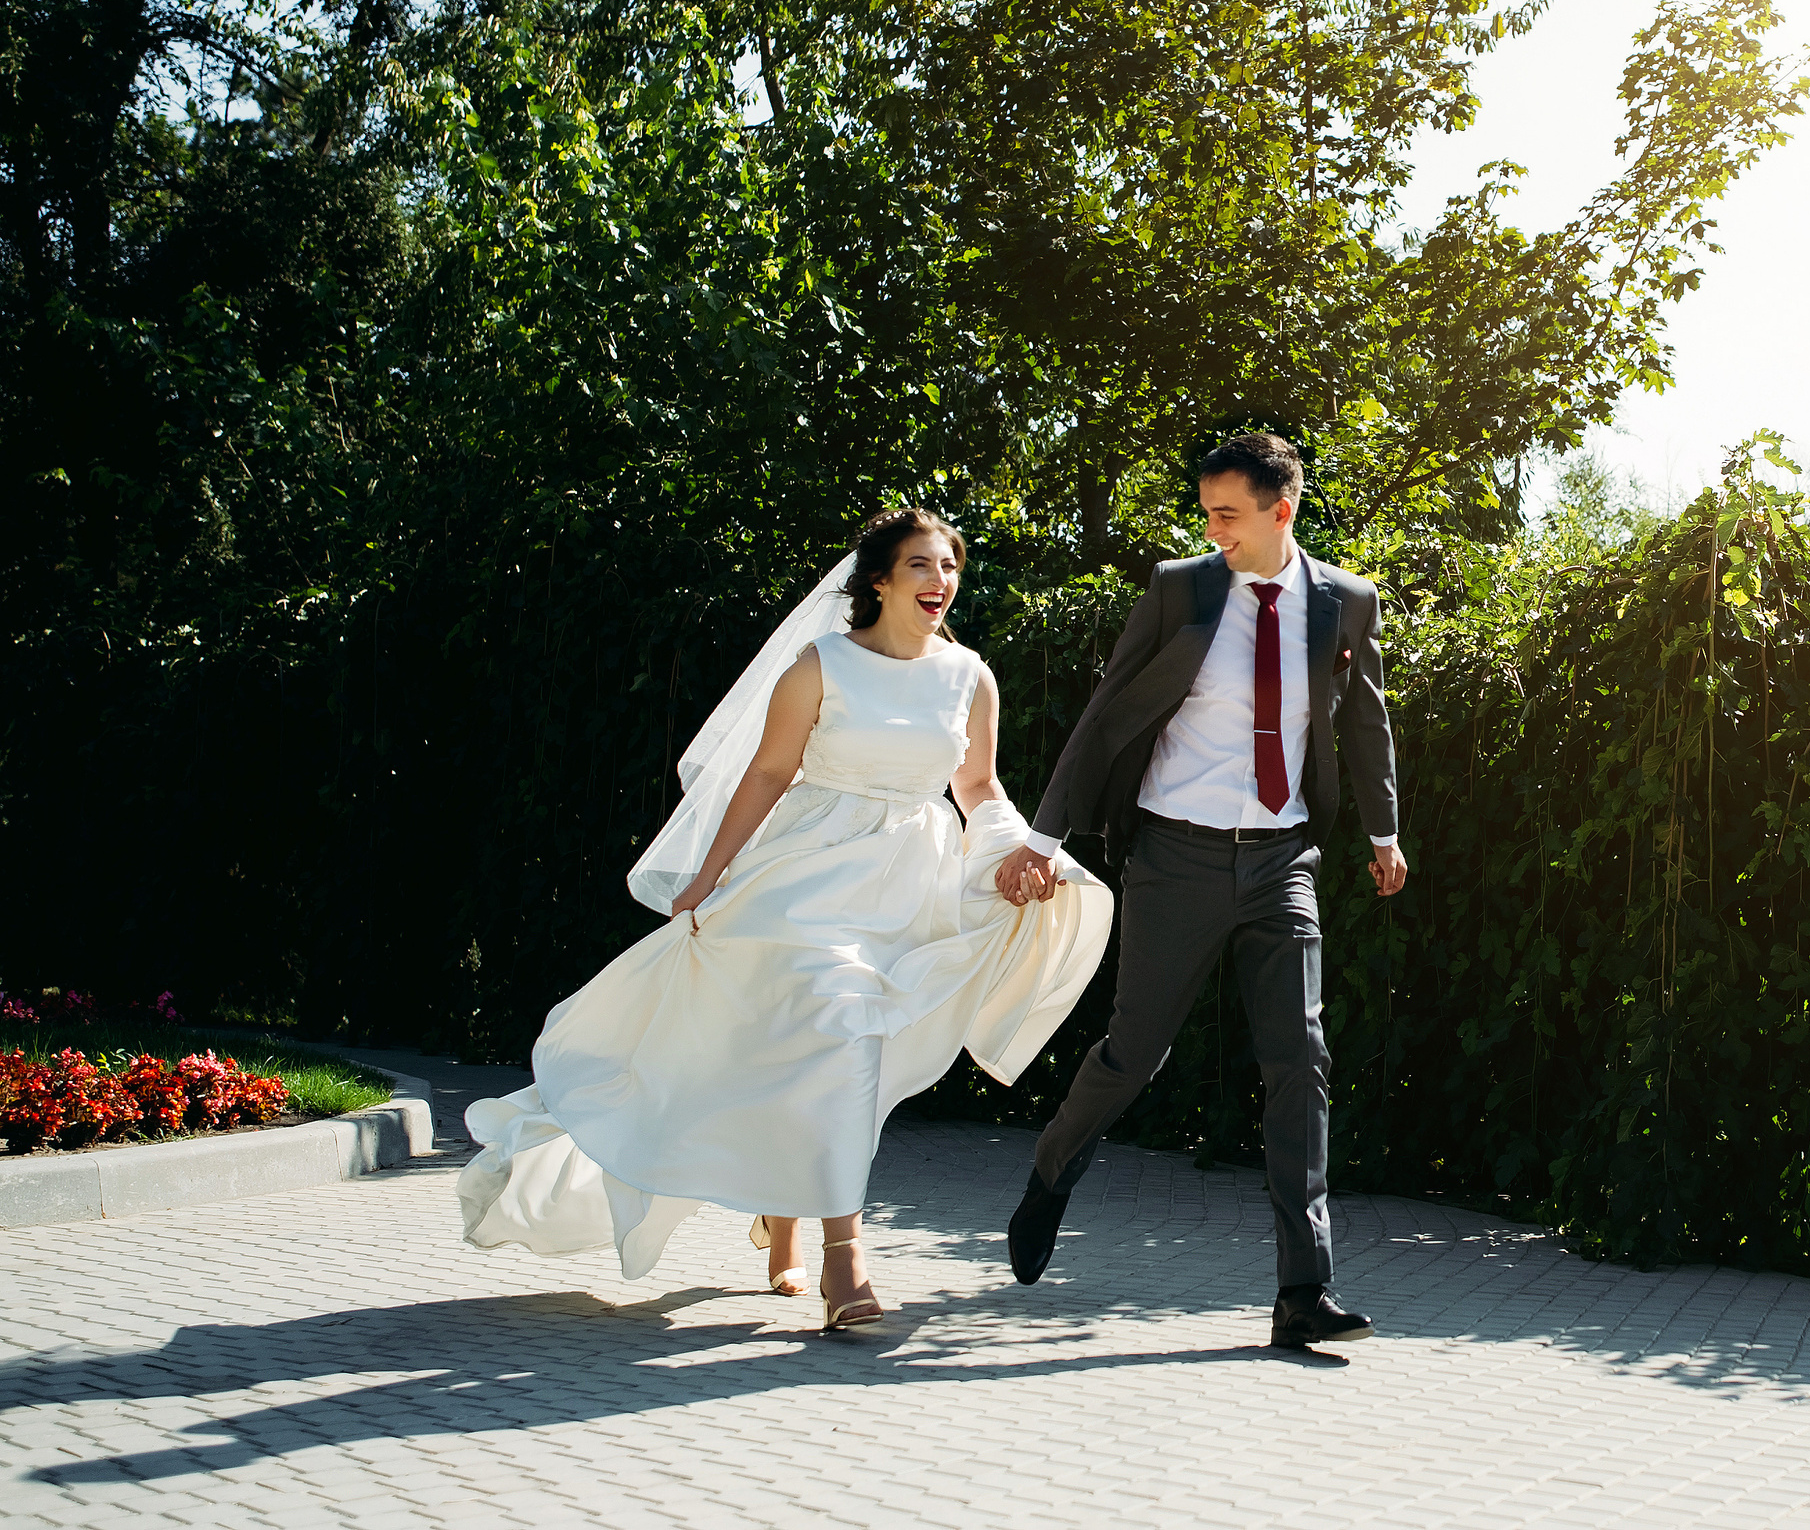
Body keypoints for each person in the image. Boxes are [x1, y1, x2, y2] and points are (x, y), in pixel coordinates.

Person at [457, 509, 1113, 1333]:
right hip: (808, 876)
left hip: (909, 885)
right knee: (837, 1027)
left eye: (948, 566)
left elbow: (977, 787)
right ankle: (846, 1256)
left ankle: (788, 1209)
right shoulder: (820, 666)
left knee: (840, 1050)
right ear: (879, 579)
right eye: (920, 565)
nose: (940, 581)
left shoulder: (970, 677)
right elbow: (768, 773)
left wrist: (1018, 847)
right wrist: (707, 877)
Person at [992, 433, 1406, 1349]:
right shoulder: (1182, 587)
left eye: (1228, 513)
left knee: (1301, 1060)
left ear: (1280, 511)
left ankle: (1305, 1289)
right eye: (1207, 512)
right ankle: (1054, 1164)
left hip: (1282, 859)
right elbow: (1106, 712)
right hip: (1175, 856)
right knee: (1135, 1051)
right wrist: (1044, 839)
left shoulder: (1344, 602)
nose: (1212, 528)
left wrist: (1383, 830)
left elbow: (1366, 719)